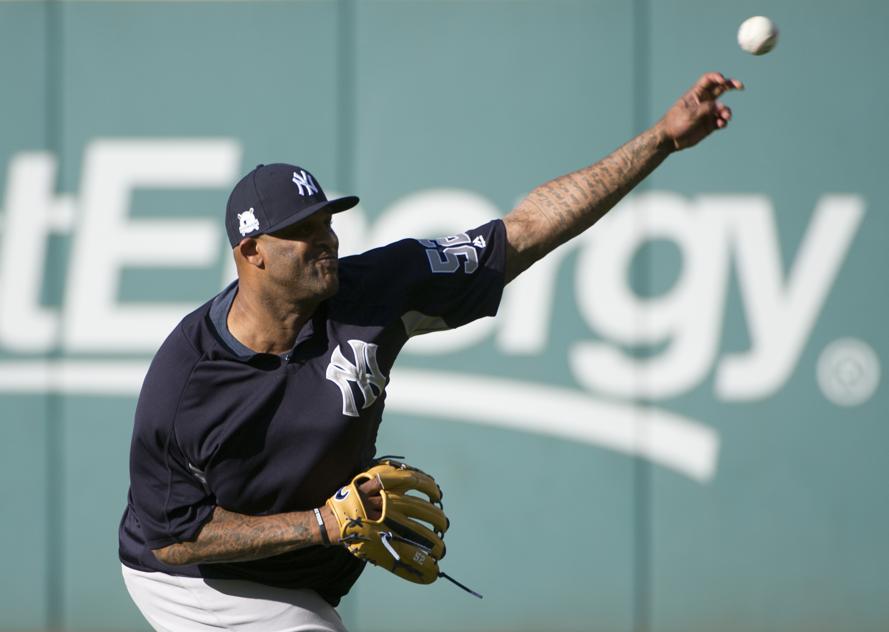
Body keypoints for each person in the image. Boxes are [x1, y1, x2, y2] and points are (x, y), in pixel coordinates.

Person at [119, 72, 743, 631]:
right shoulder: (187, 382)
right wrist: (320, 525)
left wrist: (661, 138)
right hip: (189, 581)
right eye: (302, 232)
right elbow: (177, 539)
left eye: (327, 222)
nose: (326, 239)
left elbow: (523, 231)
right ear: (251, 252)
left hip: (297, 578)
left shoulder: (374, 291)